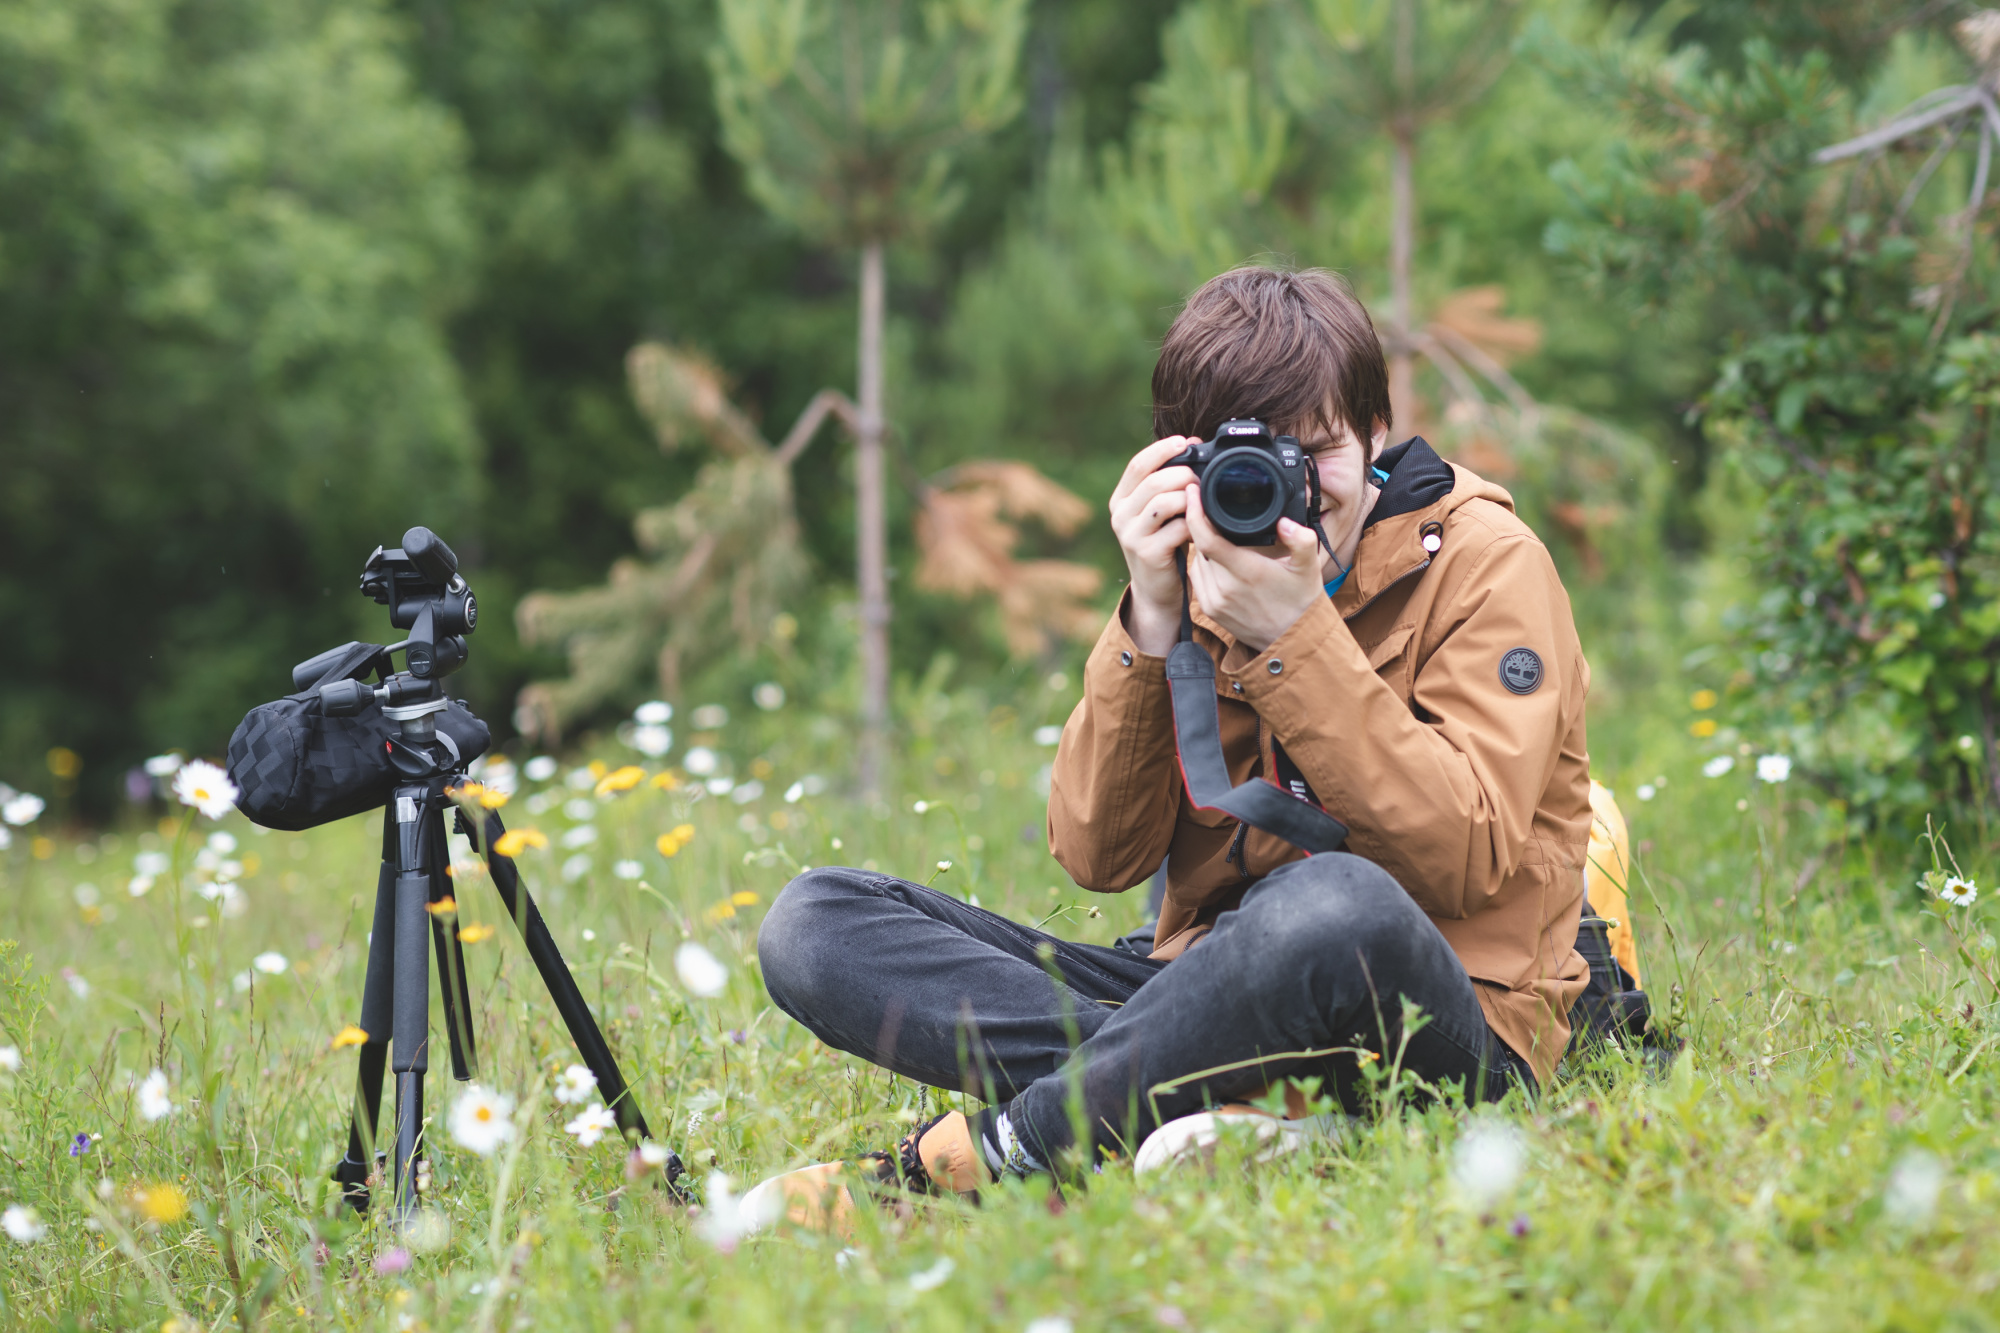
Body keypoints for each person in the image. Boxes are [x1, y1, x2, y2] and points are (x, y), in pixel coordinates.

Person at [744, 265, 1592, 1228]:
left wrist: (1295, 638)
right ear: (1177, 464)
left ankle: (1003, 1150)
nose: (1290, 490)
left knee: (1333, 902)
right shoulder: (1187, 578)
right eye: (1252, 463)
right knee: (815, 921)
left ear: (1378, 436)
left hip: (1441, 1013)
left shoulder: (1487, 564)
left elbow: (1466, 854)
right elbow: (1098, 855)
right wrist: (1147, 622)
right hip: (1199, 980)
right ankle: (1248, 1106)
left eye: (1317, 452)